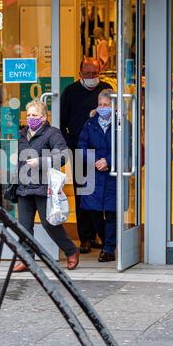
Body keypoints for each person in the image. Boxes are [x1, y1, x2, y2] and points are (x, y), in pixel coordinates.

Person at [13, 100, 80, 272]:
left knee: (49, 223)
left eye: (34, 115)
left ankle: (71, 250)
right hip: (24, 186)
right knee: (24, 225)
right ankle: (26, 259)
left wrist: (41, 161)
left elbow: (64, 156)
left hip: (44, 186)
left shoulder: (52, 134)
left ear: (44, 117)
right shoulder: (22, 134)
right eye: (28, 115)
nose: (30, 118)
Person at [60, 57, 112, 254]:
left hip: (103, 151)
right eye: (88, 74)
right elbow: (63, 121)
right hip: (79, 150)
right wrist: (70, 145)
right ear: (80, 73)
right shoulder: (70, 92)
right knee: (83, 193)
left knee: (102, 193)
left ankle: (101, 234)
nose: (92, 78)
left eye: (95, 74)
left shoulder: (106, 89)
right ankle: (86, 238)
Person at [78, 88, 116, 262]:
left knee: (110, 213)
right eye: (100, 104)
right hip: (93, 174)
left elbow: (128, 149)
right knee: (92, 210)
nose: (103, 108)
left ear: (114, 106)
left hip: (112, 176)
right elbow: (81, 146)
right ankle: (104, 239)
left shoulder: (122, 124)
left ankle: (108, 248)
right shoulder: (90, 123)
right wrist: (94, 160)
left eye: (106, 105)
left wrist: (107, 161)